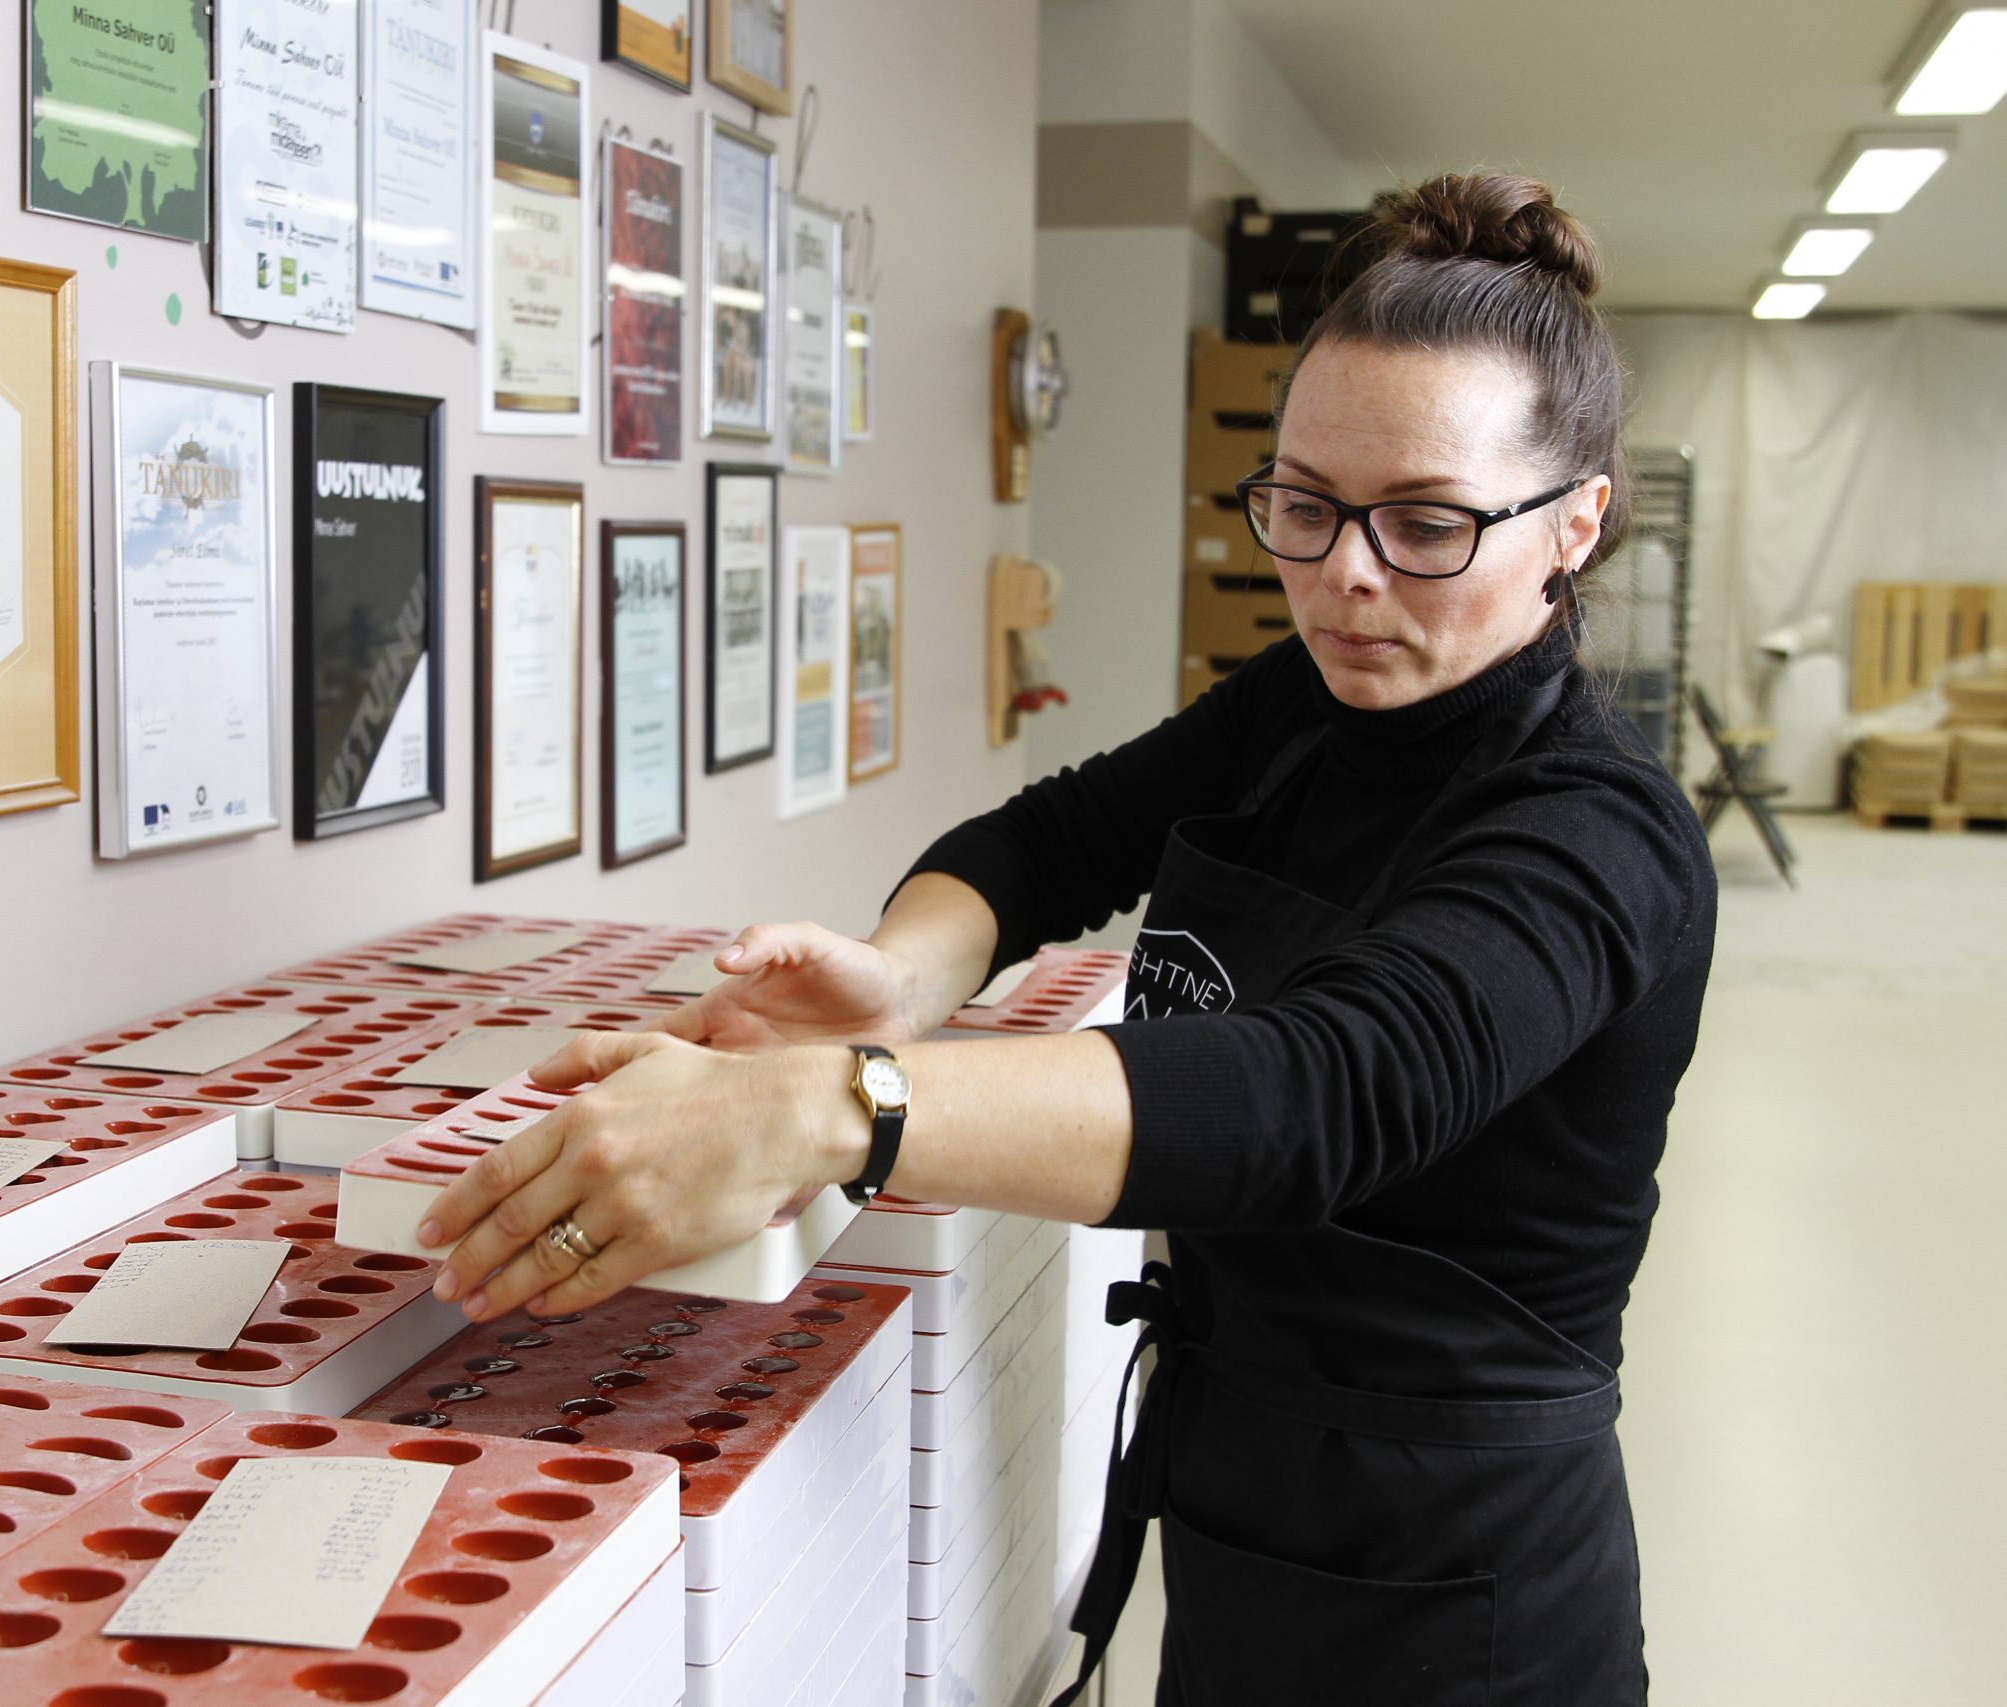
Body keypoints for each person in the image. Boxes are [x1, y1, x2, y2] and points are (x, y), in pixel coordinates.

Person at [417, 171, 1715, 1705]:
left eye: (1425, 523)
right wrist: (901, 978)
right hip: (1246, 1497)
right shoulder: (1313, 704)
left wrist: (827, 1110)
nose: (1345, 576)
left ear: (1576, 523)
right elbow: (1054, 840)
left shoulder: (1598, 833)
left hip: (1462, 1570)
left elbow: (1320, 1094)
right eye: (1305, 506)